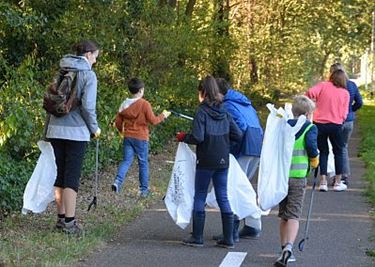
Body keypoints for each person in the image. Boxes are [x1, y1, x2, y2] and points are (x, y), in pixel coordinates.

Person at [176, 75, 242, 249]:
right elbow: (238, 135)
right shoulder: (225, 111)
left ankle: (197, 237)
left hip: (205, 159)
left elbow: (198, 137)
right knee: (223, 196)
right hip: (222, 160)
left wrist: (184, 137)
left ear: (203, 92)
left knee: (200, 195)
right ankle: (228, 239)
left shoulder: (202, 111)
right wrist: (225, 144)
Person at [46, 40, 101, 234]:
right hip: (76, 132)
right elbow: (87, 106)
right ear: (88, 55)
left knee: (59, 174)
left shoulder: (61, 70)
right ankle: (70, 222)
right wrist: (94, 128)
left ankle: (60, 220)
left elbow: (51, 101)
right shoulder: (88, 75)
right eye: (95, 56)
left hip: (54, 129)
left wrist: (47, 131)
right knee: (71, 177)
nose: (95, 61)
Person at [214, 78, 263, 241]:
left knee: (233, 188)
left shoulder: (227, 105)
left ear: (219, 93)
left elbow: (239, 128)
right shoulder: (244, 102)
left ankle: (232, 230)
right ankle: (252, 225)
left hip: (243, 147)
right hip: (256, 145)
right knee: (245, 187)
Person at [274, 95, 319, 267]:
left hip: (282, 177)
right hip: (298, 178)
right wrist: (315, 161)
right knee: (293, 215)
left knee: (283, 215)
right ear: (308, 114)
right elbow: (311, 147)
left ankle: (283, 247)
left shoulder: (284, 126)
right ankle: (289, 249)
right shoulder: (310, 128)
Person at [112, 78, 171, 197]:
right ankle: (144, 190)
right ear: (140, 90)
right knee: (143, 163)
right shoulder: (144, 104)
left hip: (128, 136)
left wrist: (121, 132)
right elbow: (153, 121)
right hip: (141, 137)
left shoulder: (124, 104)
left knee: (126, 160)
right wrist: (163, 116)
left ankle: (117, 182)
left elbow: (118, 122)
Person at [305, 69, 349, 192]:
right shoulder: (345, 93)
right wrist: (341, 118)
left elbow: (309, 92)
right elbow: (345, 112)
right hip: (336, 125)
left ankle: (323, 182)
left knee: (323, 152)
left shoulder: (323, 86)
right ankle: (338, 182)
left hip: (319, 124)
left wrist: (311, 104)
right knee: (338, 152)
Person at [329, 63, 363, 186]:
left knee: (336, 149)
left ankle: (339, 175)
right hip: (348, 121)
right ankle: (343, 176)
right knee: (343, 147)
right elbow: (359, 102)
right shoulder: (352, 85)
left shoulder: (332, 86)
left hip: (335, 120)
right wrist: (351, 111)